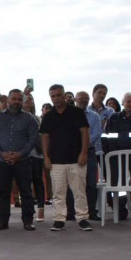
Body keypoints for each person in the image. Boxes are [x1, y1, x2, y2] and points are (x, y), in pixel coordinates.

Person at [39, 84, 92, 232]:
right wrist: (46, 157)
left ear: (64, 95)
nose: (56, 98)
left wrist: (84, 153)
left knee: (79, 191)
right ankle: (59, 219)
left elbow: (84, 133)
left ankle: (82, 218)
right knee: (58, 193)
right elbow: (45, 137)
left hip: (76, 159)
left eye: (58, 95)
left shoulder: (77, 113)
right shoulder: (48, 116)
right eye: (53, 96)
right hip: (56, 161)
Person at [0, 89, 38, 230]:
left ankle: (28, 220)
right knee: (3, 192)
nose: (16, 102)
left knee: (26, 191)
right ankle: (3, 221)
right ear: (8, 100)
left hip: (23, 160)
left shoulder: (29, 118)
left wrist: (20, 154)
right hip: (1, 161)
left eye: (19, 99)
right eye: (14, 99)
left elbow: (33, 139)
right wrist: (1, 153)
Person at [101, 92, 131, 220]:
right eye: (128, 101)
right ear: (123, 103)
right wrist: (109, 154)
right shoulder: (114, 118)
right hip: (116, 158)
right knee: (118, 184)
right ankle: (119, 209)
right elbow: (105, 138)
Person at [74, 91, 103, 220]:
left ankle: (91, 211)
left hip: (90, 152)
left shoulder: (95, 116)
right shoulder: (70, 115)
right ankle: (71, 212)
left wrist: (83, 145)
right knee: (73, 183)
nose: (83, 101)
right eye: (81, 98)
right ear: (75, 99)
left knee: (91, 183)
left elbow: (97, 134)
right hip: (72, 152)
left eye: (86, 99)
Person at [23, 96, 47, 221]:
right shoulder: (17, 117)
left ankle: (41, 208)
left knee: (37, 180)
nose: (28, 102)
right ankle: (28, 209)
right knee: (26, 181)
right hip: (23, 154)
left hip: (36, 153)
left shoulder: (36, 118)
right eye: (26, 99)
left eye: (31, 100)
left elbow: (42, 135)